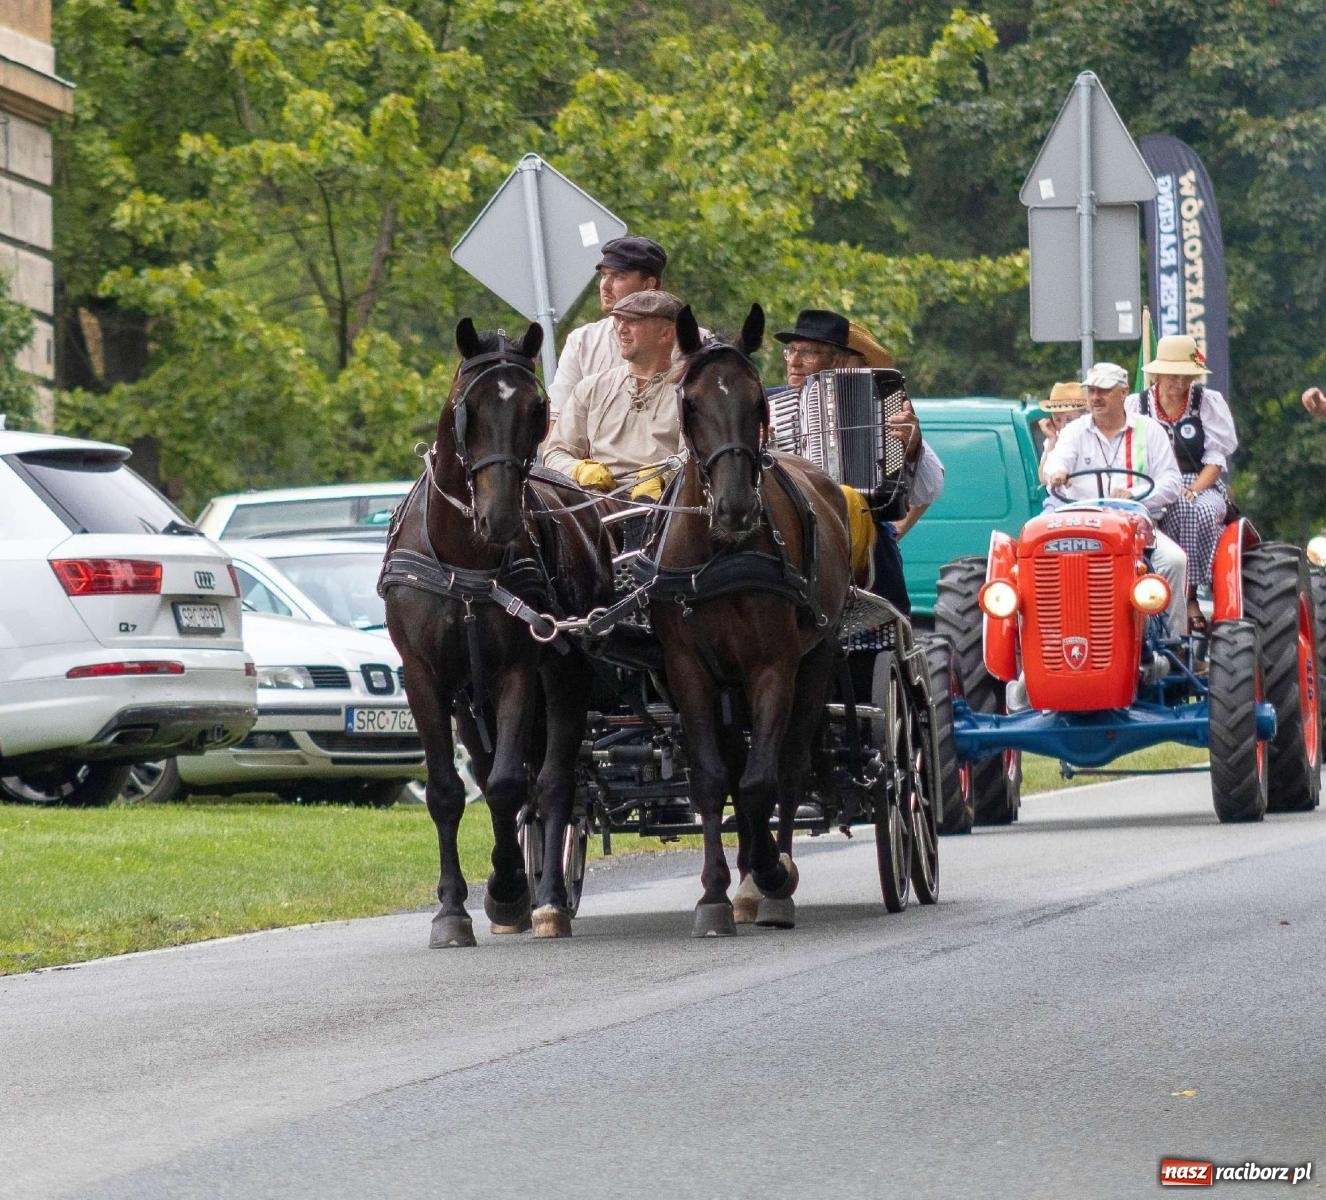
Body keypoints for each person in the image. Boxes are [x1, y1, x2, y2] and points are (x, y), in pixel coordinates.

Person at [770, 308, 944, 614]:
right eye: (791, 351)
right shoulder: (768, 404)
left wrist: (913, 446)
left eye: (807, 353)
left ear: (836, 360)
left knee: (883, 553)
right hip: (787, 529)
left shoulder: (880, 402)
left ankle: (887, 631)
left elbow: (928, 488)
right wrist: (761, 446)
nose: (794, 361)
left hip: (860, 532)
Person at [1044, 361, 1189, 638]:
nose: (1095, 397)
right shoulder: (1075, 432)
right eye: (1092, 391)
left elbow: (1171, 481)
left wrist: (1135, 495)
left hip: (1134, 526)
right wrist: (1058, 472)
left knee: (1174, 560)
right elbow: (1055, 463)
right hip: (1079, 525)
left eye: (1104, 390)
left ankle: (1173, 640)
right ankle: (1042, 638)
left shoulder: (1150, 431)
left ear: (1123, 392)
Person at [1126, 334, 1238, 632]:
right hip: (1152, 483)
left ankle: (1189, 595)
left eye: (1186, 377)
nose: (1179, 383)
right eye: (1173, 376)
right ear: (1158, 374)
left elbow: (1215, 461)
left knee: (1194, 509)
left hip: (1198, 482)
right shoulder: (1136, 406)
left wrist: (1193, 489)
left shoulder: (1207, 402)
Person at [541, 289, 685, 501]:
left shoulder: (689, 392)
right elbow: (554, 453)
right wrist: (578, 470)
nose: (621, 329)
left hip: (665, 508)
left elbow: (698, 456)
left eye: (633, 322)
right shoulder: (590, 388)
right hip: (594, 507)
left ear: (665, 334)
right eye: (618, 321)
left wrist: (663, 475)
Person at [546, 236, 668, 419]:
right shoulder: (581, 342)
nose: (605, 286)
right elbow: (556, 419)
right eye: (604, 275)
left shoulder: (691, 342)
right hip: (591, 448)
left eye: (619, 276)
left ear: (649, 285)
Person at [1035, 381, 1088, 485]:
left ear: (1084, 416)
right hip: (1060, 500)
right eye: (1058, 420)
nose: (1063, 426)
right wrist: (1052, 440)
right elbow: (1043, 479)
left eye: (1069, 420)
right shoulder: (1054, 440)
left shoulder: (1091, 438)